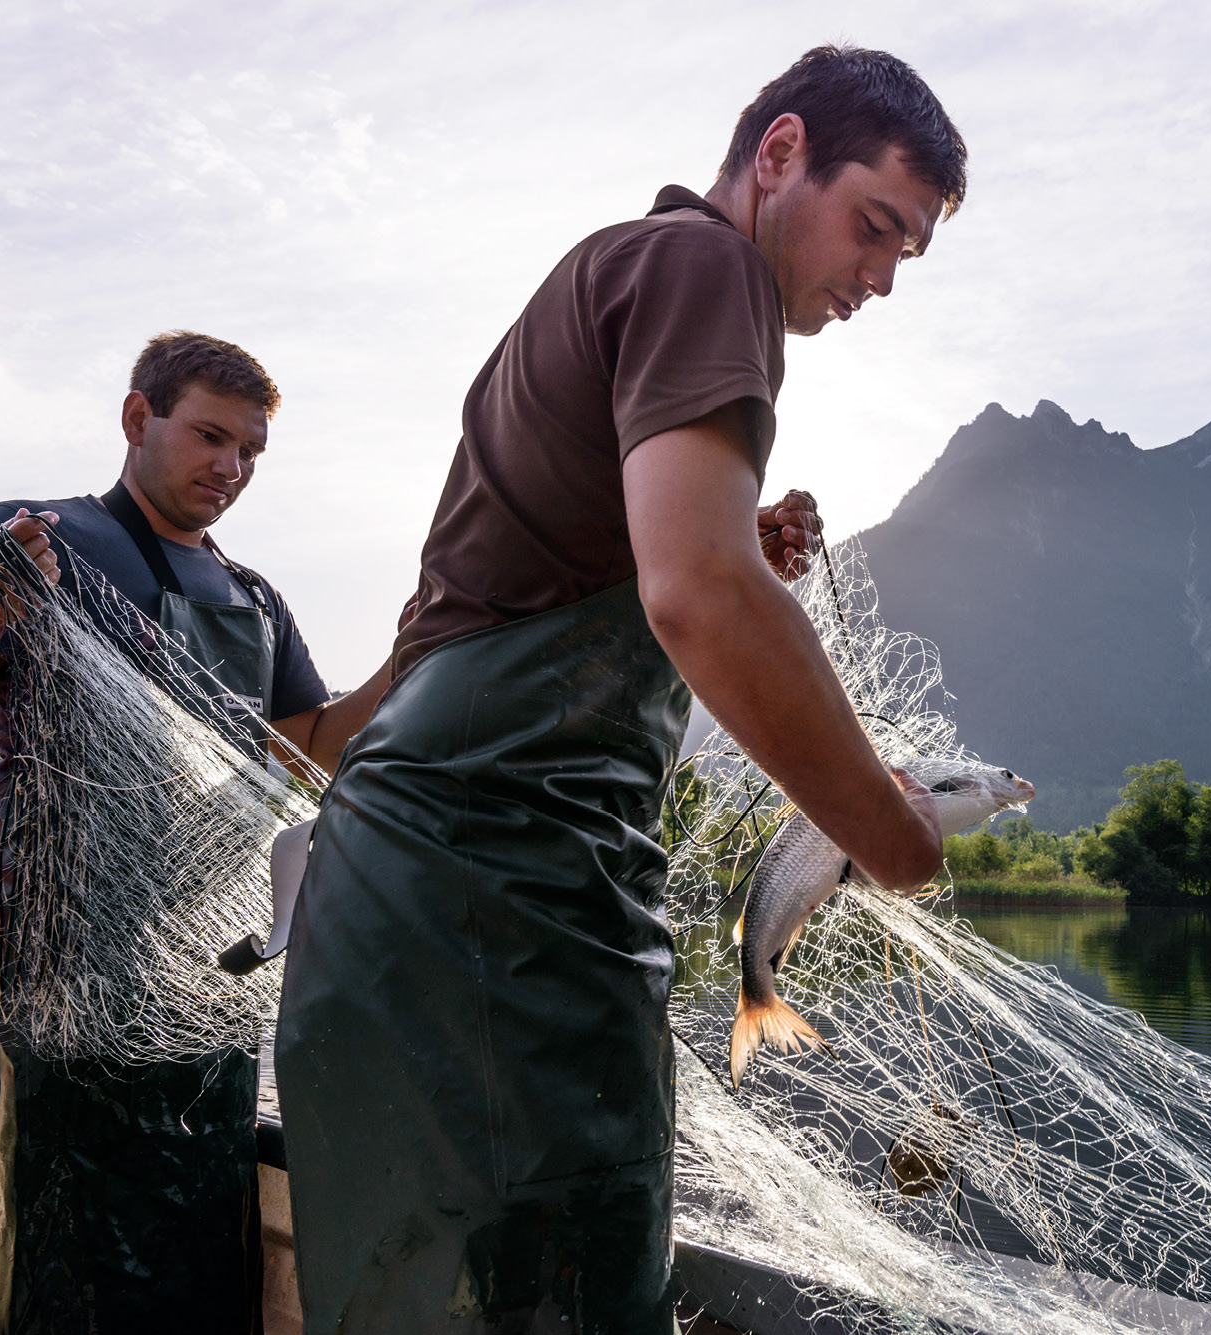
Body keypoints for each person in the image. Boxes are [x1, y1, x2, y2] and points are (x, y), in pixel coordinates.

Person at [276, 43, 968, 1333]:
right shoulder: (706, 265)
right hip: (500, 903)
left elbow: (550, 603)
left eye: (905, 259)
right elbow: (695, 595)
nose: (877, 279)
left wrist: (716, 552)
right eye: (873, 227)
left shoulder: (613, 269)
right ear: (777, 155)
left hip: (415, 904)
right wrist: (889, 828)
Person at [0, 331, 394, 1333]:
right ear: (138, 419)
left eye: (251, 452)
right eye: (211, 437)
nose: (232, 468)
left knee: (191, 1282)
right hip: (33, 996)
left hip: (202, 1009)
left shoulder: (254, 602)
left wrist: (413, 651)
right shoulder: (35, 538)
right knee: (36, 1282)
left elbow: (301, 755)